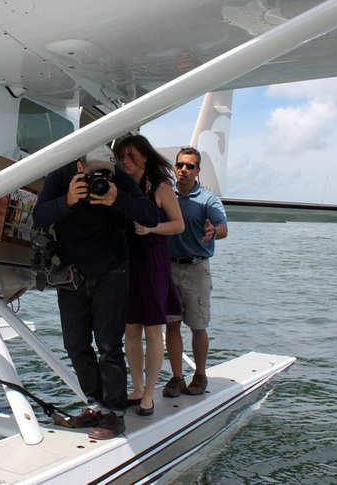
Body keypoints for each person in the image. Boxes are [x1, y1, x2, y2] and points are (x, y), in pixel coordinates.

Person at [33, 145, 159, 439]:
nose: (99, 179)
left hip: (112, 272)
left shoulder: (119, 181)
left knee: (108, 346)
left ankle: (114, 414)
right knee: (74, 344)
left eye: (105, 172)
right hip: (71, 273)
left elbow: (150, 216)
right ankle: (97, 403)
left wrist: (117, 198)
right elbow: (39, 215)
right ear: (80, 165)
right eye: (94, 173)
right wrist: (67, 199)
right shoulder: (61, 176)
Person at [114, 135, 184, 416]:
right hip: (127, 262)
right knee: (131, 328)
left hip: (153, 262)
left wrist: (152, 229)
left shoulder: (160, 187)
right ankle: (137, 386)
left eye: (131, 156)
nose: (125, 162)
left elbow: (178, 225)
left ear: (144, 156)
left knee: (153, 330)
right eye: (121, 157)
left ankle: (149, 394)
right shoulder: (119, 187)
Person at [163, 147, 227, 397]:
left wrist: (215, 231)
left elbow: (222, 226)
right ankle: (177, 378)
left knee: (198, 326)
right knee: (172, 325)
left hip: (197, 268)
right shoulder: (167, 195)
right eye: (180, 165)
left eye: (190, 166)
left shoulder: (208, 199)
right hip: (168, 268)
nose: (184, 170)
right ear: (174, 168)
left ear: (198, 171)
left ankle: (200, 375)